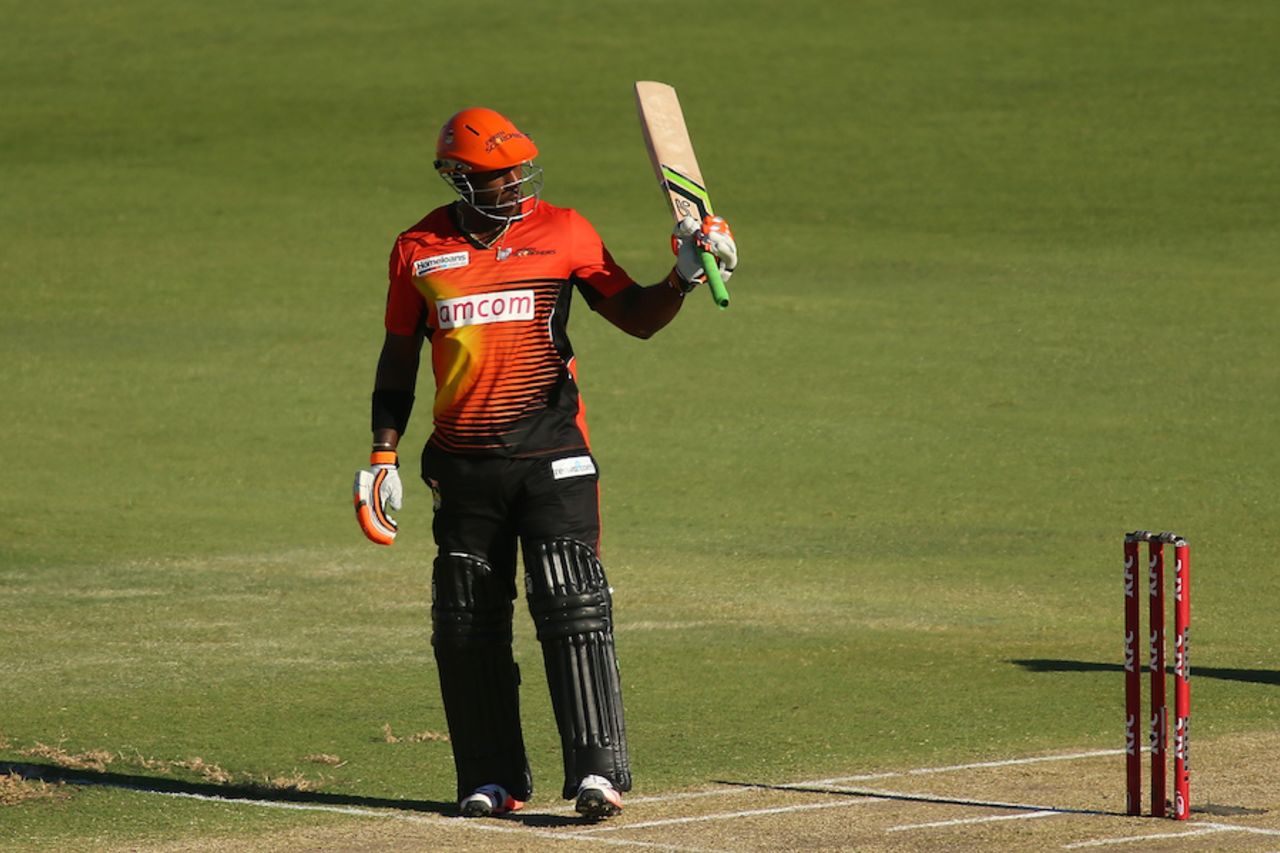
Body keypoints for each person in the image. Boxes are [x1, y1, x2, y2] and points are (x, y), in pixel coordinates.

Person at [352, 106, 737, 821]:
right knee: (466, 618)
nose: (514, 188)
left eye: (519, 173)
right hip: (464, 466)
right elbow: (399, 357)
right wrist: (382, 453)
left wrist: (683, 275)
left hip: (554, 454)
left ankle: (598, 772)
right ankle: (490, 777)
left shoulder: (564, 231)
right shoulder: (418, 249)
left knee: (570, 598)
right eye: (498, 179)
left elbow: (636, 316)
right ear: (460, 179)